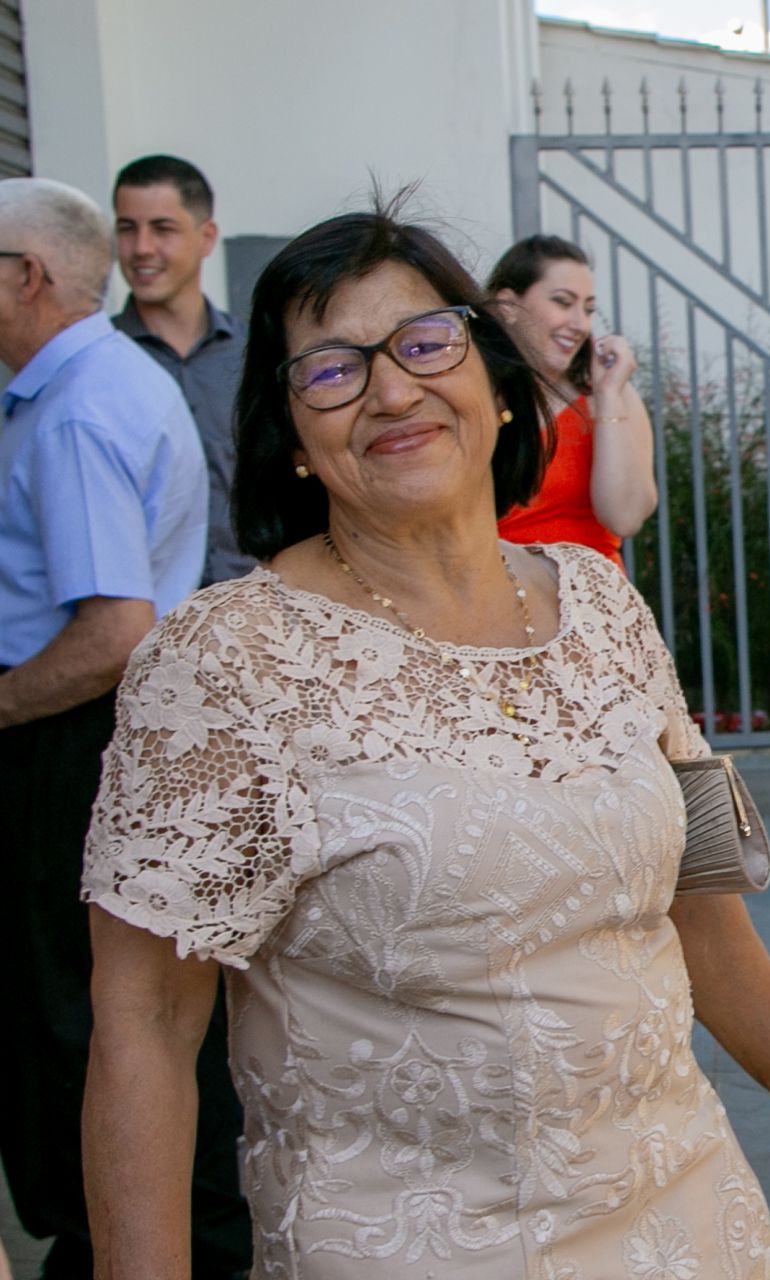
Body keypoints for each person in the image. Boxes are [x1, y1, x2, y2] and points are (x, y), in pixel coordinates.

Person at [78, 206, 770, 1277]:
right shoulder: (226, 662)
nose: (392, 391)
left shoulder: (601, 603)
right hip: (411, 1244)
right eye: (332, 370)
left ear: (496, 383)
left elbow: (696, 893)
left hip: (685, 1213)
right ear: (292, 437)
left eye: (423, 342)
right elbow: (145, 1029)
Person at [0, 177, 249, 1278]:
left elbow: (111, 632)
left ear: (26, 277)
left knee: (78, 1010)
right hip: (96, 727)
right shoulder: (98, 380)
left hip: (70, 733)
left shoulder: (78, 410)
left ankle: (115, 1245)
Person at [112, 155, 254, 585]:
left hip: (255, 603)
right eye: (126, 228)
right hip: (148, 611)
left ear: (206, 237)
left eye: (162, 228)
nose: (141, 248)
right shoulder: (99, 365)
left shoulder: (255, 354)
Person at [488, 235, 656, 562]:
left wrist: (608, 396)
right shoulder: (472, 394)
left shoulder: (609, 394)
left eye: (588, 309)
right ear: (507, 306)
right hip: (495, 587)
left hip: (589, 590)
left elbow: (624, 518)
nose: (580, 324)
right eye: (563, 302)